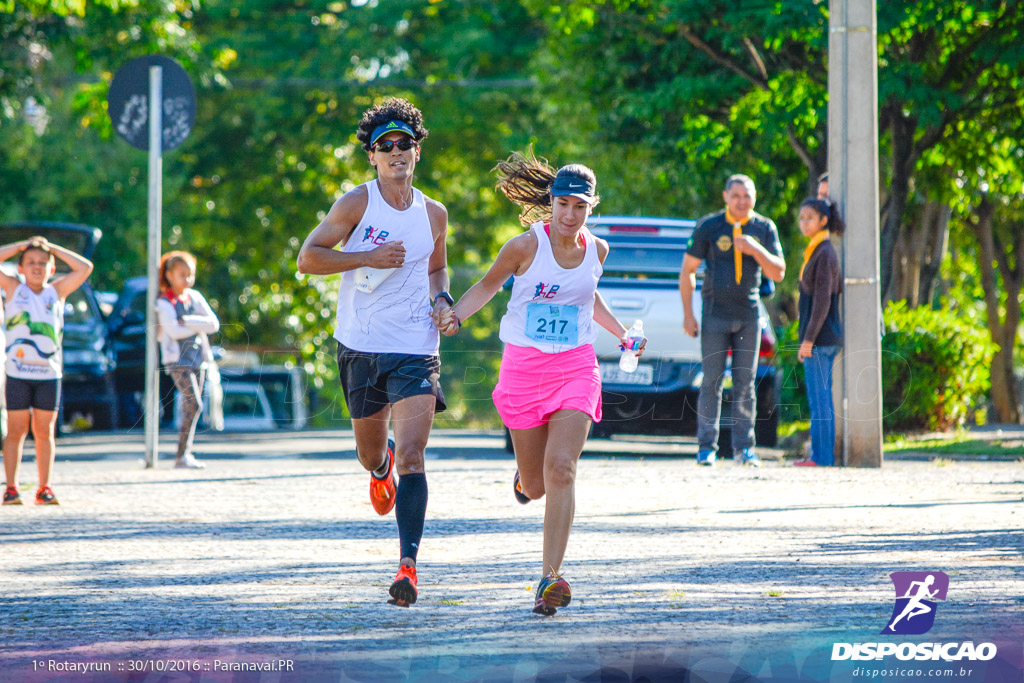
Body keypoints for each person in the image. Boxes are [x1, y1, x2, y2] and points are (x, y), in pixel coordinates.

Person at [438, 151, 645, 616]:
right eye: (563, 205)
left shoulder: (598, 249)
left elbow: (587, 298)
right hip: (524, 370)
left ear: (593, 207)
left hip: (575, 366)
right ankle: (523, 479)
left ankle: (549, 579)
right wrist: (453, 316)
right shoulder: (524, 246)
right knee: (535, 485)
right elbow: (489, 286)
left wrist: (623, 335)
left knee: (563, 469)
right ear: (550, 202)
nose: (571, 215)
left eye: (580, 207)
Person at [296, 97, 451, 608]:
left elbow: (436, 270)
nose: (396, 152)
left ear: (417, 151)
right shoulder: (356, 204)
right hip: (361, 347)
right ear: (372, 156)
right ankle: (377, 467)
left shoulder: (435, 213)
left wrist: (443, 301)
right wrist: (367, 257)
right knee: (373, 453)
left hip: (415, 348)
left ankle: (408, 566)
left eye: (404, 143)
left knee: (413, 454)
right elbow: (308, 258)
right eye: (385, 146)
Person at [680, 174, 785, 467]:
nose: (741, 201)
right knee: (711, 381)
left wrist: (755, 249)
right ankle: (706, 448)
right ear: (725, 196)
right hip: (714, 315)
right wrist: (688, 314)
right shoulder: (710, 226)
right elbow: (687, 269)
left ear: (754, 198)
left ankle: (744, 449)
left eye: (747, 195)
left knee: (745, 383)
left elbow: (779, 273)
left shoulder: (764, 228)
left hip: (749, 316)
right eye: (736, 195)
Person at [1, 236, 93, 505]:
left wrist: (53, 247)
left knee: (45, 432)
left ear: (52, 269)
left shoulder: (57, 292)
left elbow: (85, 268)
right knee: (16, 431)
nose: (37, 266)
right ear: (20, 267)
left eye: (43, 262)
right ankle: (11, 488)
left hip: (48, 375)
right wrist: (19, 246)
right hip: (18, 373)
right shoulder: (14, 289)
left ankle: (44, 488)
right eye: (30, 262)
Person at [156, 250, 220, 470]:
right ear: (170, 275)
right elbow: (173, 331)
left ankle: (184, 454)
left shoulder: (195, 297)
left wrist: (187, 321)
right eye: (182, 274)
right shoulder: (164, 302)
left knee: (192, 407)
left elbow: (213, 324)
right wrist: (194, 324)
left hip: (197, 359)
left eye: (190, 274)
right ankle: (181, 455)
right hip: (177, 361)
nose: (188, 279)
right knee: (194, 403)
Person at [794, 197, 844, 467]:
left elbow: (822, 300)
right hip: (819, 339)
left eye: (809, 218)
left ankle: (822, 457)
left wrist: (808, 339)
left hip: (821, 340)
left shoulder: (824, 252)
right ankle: (821, 456)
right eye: (801, 218)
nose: (804, 223)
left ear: (823, 221)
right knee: (820, 398)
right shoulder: (816, 250)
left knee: (820, 400)